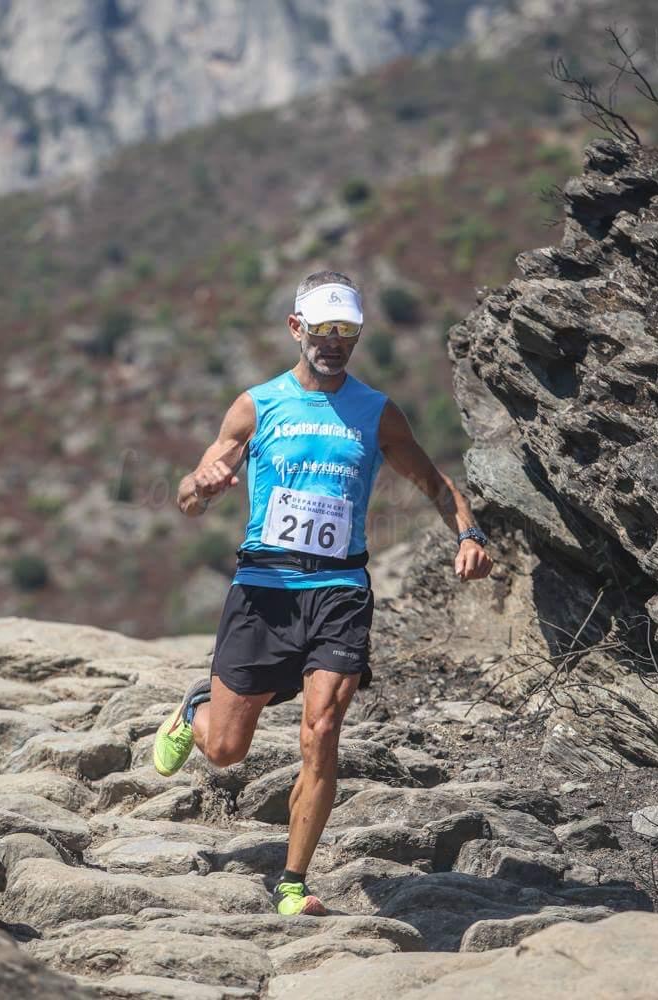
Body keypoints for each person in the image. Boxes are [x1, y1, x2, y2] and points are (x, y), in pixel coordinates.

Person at [153, 270, 493, 916]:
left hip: (339, 588)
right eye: (321, 329)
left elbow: (433, 481)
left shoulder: (375, 410)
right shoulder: (256, 405)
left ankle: (291, 882)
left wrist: (467, 533)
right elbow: (188, 499)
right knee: (226, 750)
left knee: (323, 728)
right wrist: (202, 484)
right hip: (264, 587)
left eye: (346, 332)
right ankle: (197, 706)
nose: (333, 342)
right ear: (295, 328)